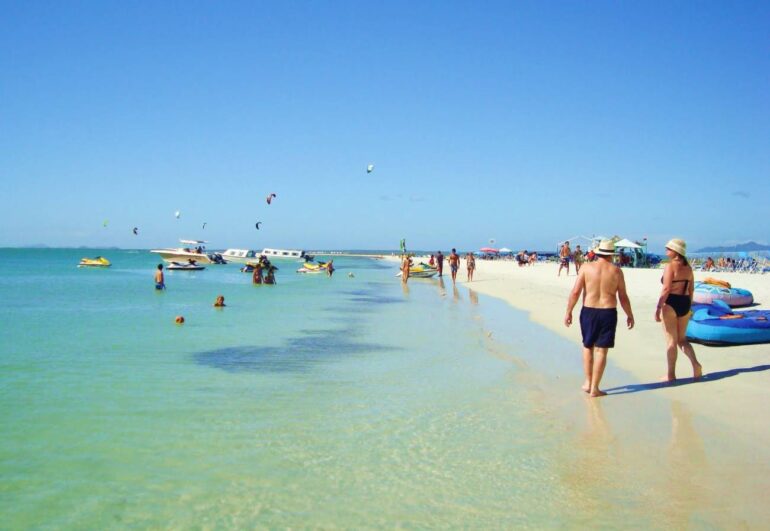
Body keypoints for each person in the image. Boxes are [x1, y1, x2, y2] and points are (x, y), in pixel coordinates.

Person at [565, 239, 634, 397]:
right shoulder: (616, 271)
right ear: (611, 254)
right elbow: (623, 297)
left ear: (598, 253)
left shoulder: (586, 268)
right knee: (601, 351)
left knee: (587, 346)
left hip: (589, 311)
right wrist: (629, 315)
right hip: (608, 312)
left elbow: (575, 292)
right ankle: (595, 388)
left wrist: (569, 311)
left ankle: (588, 382)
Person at [656, 239, 702, 382]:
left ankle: (671, 375)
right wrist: (689, 305)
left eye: (668, 248)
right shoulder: (688, 268)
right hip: (685, 302)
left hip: (671, 303)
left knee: (671, 340)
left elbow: (666, 289)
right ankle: (696, 365)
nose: (666, 250)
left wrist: (658, 307)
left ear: (675, 251)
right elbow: (691, 289)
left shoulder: (670, 266)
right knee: (682, 340)